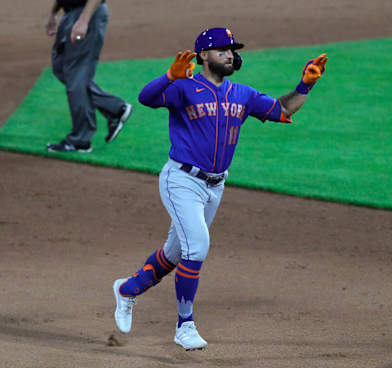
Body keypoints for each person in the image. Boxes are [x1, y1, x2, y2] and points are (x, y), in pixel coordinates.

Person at [112, 27, 327, 350]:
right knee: (197, 246)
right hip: (181, 180)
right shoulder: (183, 88)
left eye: (231, 49)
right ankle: (185, 326)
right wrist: (169, 77)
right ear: (203, 56)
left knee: (174, 254)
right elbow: (147, 98)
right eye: (222, 49)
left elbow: (282, 110)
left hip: (215, 186)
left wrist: (305, 85)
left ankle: (127, 290)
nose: (229, 54)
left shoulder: (242, 94)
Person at [45, 0, 132, 153]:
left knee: (76, 73)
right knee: (61, 69)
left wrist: (83, 20)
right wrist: (53, 13)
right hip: (71, 13)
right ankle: (114, 108)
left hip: (86, 14)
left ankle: (81, 138)